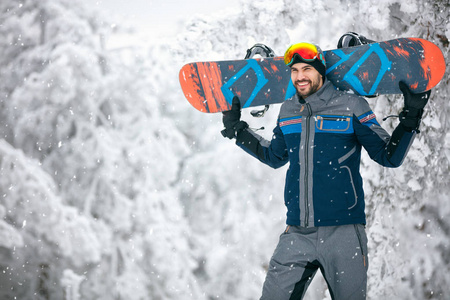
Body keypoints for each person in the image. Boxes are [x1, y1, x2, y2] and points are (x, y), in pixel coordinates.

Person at [221, 41, 431, 299]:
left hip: (344, 234)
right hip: (297, 232)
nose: (299, 76)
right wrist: (238, 132)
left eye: (306, 70)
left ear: (320, 71)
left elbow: (388, 156)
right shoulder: (288, 111)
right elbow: (274, 156)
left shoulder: (351, 106)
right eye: (295, 70)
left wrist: (411, 116)